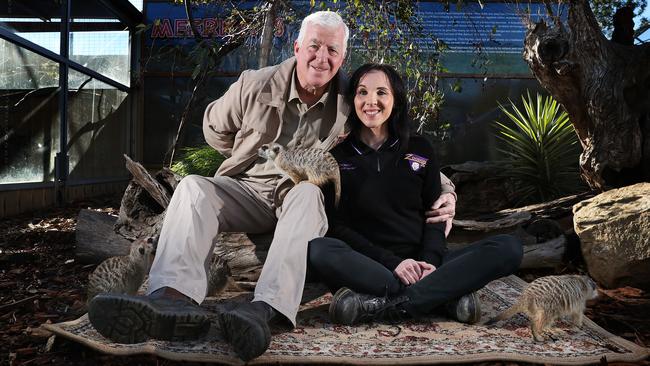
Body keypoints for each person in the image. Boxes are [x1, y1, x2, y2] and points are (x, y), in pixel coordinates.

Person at [87, 11, 456, 362]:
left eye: (332, 50)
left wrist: (444, 189)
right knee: (194, 188)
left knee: (309, 193)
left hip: (297, 199)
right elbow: (214, 129)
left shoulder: (351, 99)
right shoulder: (254, 83)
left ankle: (265, 309)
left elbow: (392, 151)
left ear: (342, 57)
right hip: (246, 190)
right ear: (297, 48)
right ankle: (171, 299)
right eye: (314, 46)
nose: (321, 57)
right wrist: (244, 153)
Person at [308, 63, 523, 326]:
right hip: (372, 265)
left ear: (395, 99)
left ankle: (389, 306)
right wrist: (395, 264)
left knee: (508, 248)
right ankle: (441, 296)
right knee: (319, 249)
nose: (370, 101)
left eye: (381, 93)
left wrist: (428, 263)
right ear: (352, 100)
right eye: (362, 92)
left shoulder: (420, 147)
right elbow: (338, 227)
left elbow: (435, 216)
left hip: (423, 260)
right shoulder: (337, 158)